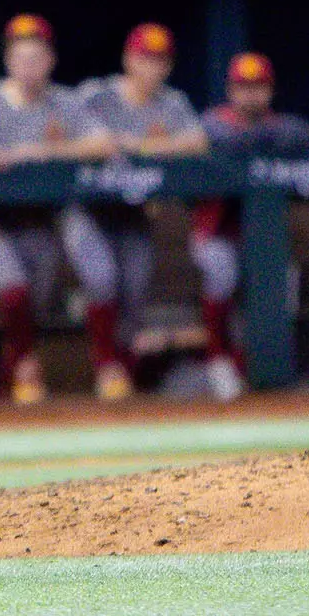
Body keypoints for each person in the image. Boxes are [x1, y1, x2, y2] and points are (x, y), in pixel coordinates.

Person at [0, 14, 108, 405]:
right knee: (12, 288)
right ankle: (23, 371)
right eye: (21, 57)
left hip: (46, 220)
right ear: (8, 60)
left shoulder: (64, 102)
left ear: (50, 60)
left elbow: (103, 144)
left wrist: (34, 152)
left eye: (36, 57)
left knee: (39, 298)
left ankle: (39, 375)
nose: (29, 66)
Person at [75, 23, 207, 399]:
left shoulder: (173, 102)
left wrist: (136, 148)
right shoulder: (96, 96)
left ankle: (122, 376)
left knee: (133, 291)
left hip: (135, 213)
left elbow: (197, 142)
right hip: (89, 209)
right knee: (101, 280)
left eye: (160, 60)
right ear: (128, 60)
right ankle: (107, 367)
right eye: (145, 59)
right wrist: (144, 145)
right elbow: (93, 141)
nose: (152, 67)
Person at [189, 52, 309, 401]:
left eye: (258, 87)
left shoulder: (283, 125)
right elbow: (225, 139)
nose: (251, 95)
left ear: (271, 90)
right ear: (230, 89)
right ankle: (218, 360)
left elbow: (303, 134)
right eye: (244, 87)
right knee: (221, 271)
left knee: (283, 279)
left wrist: (259, 139)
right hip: (215, 233)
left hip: (261, 238)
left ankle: (251, 363)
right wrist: (262, 141)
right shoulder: (213, 122)